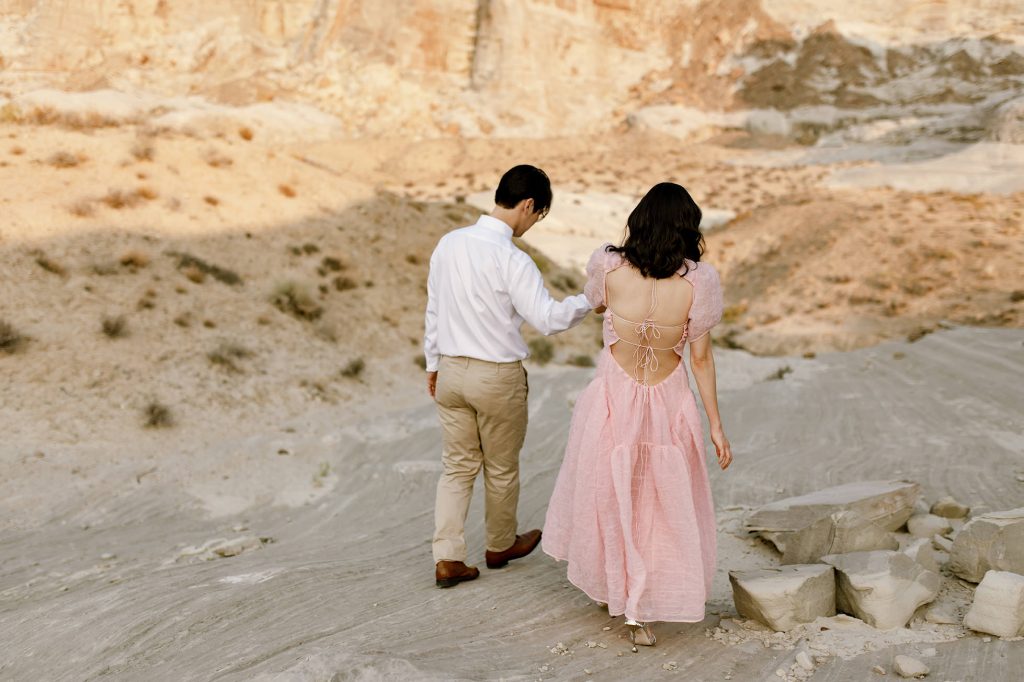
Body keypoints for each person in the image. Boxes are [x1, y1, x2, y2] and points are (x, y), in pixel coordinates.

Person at [542, 182, 733, 646]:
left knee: (610, 493)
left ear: (640, 220)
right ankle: (642, 602)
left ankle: (623, 595)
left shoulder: (608, 266)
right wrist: (715, 425)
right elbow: (701, 358)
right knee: (660, 503)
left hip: (613, 397)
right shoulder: (699, 281)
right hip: (669, 402)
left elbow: (596, 302)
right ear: (688, 228)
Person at [424, 165, 593, 588]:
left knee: (457, 468)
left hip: (450, 370)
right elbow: (548, 319)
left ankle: (447, 558)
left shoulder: (449, 243)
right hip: (496, 376)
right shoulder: (512, 258)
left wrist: (432, 364)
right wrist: (590, 300)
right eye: (539, 216)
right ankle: (500, 545)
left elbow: (433, 310)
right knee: (500, 467)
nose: (534, 225)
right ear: (529, 205)